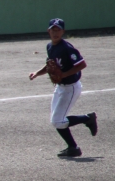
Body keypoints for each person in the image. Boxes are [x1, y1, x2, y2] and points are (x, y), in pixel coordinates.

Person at [29, 18, 97, 157]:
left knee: (57, 120)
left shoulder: (67, 48)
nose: (55, 33)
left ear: (63, 32)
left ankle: (87, 118)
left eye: (58, 30)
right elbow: (50, 66)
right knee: (56, 120)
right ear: (48, 31)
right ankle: (73, 148)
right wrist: (37, 73)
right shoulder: (50, 47)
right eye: (53, 30)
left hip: (71, 88)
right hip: (60, 88)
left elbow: (82, 64)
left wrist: (64, 74)